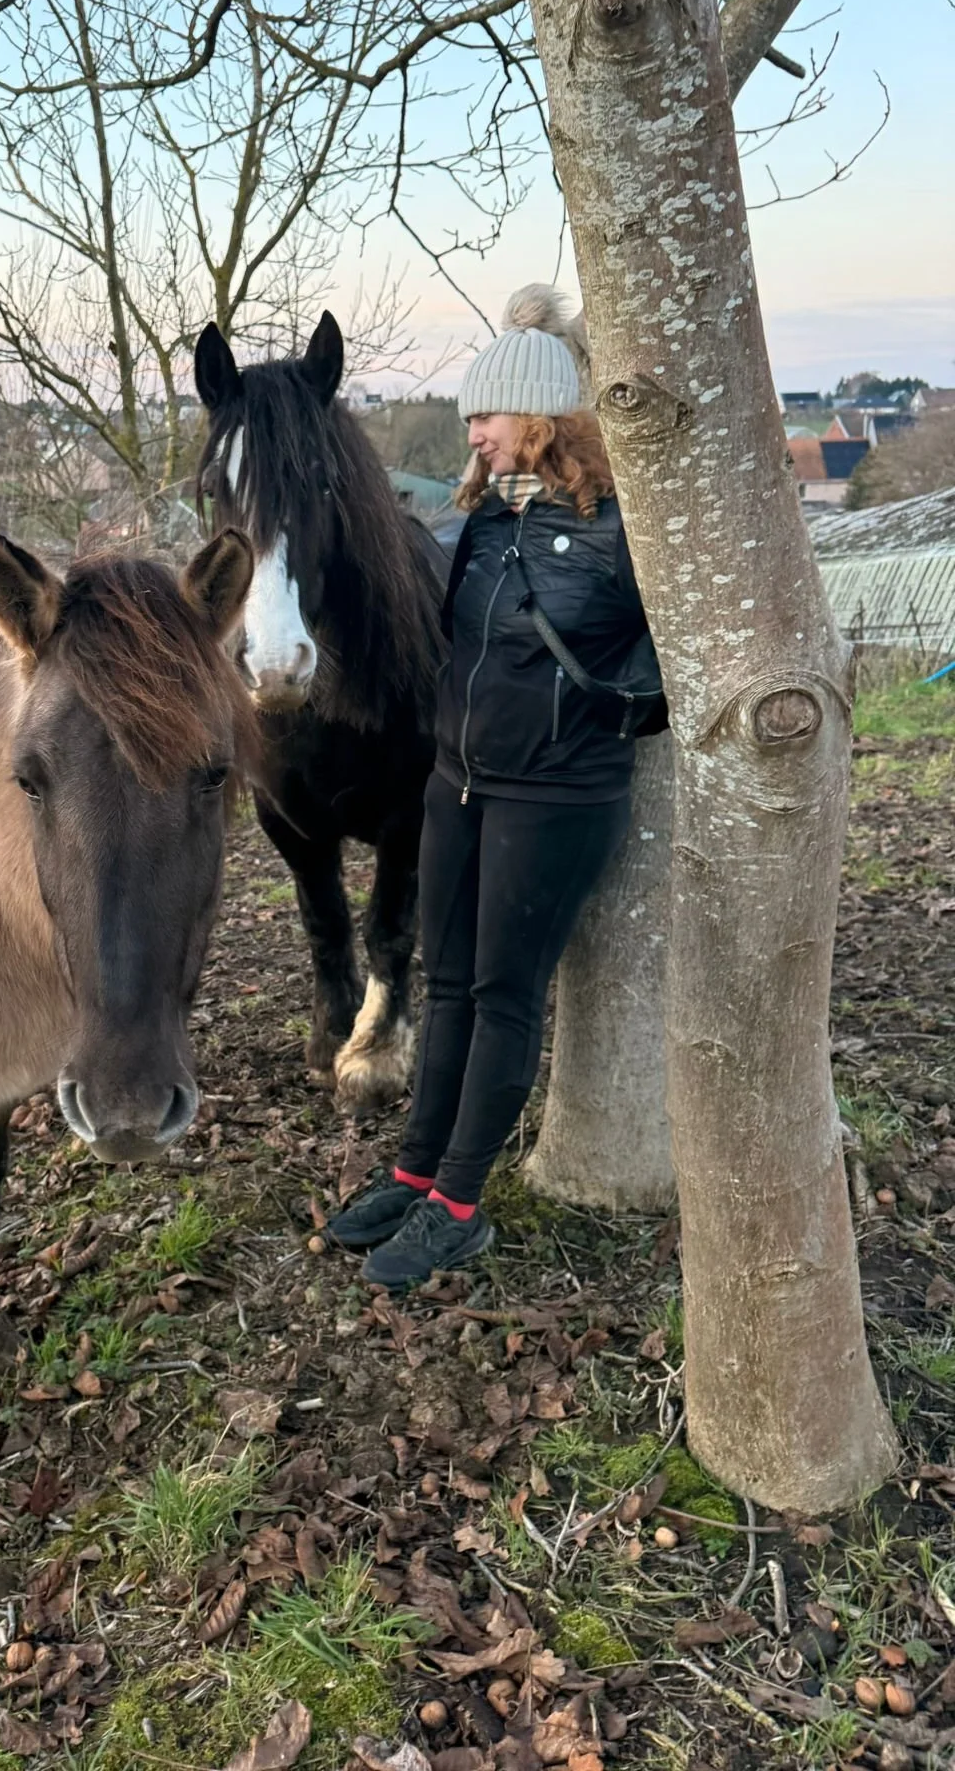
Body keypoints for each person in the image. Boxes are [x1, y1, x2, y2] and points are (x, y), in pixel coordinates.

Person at [328, 285, 667, 1289]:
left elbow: (668, 666)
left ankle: (460, 1205)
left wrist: (604, 718)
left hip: (557, 795)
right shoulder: (483, 522)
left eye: (486, 413)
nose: (470, 431)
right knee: (445, 982)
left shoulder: (622, 529)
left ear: (542, 416)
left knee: (503, 992)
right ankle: (415, 1174)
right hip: (458, 784)